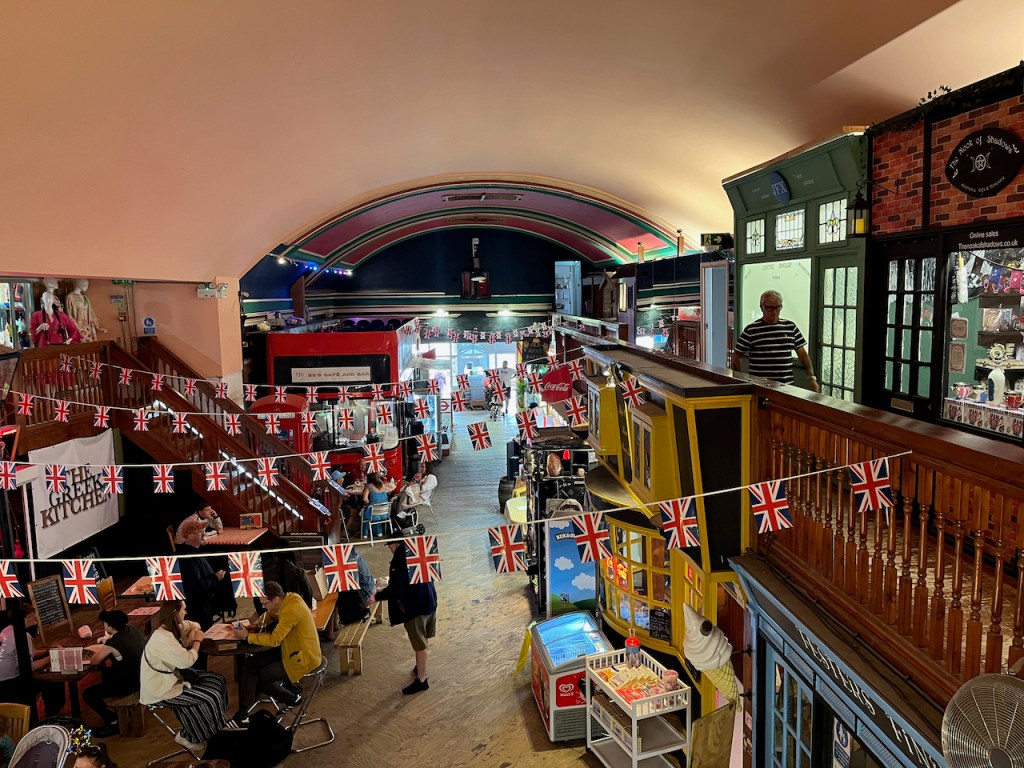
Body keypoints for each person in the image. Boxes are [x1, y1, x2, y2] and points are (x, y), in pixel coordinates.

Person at [139, 600, 230, 753]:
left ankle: (217, 723)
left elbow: (193, 624)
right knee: (210, 696)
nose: (185, 612)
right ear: (175, 613)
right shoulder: (162, 638)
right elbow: (187, 661)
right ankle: (189, 736)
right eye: (184, 610)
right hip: (160, 688)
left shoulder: (171, 628)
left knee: (218, 679)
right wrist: (196, 641)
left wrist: (193, 633)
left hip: (173, 678)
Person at [230, 580, 321, 726]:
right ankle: (243, 712)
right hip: (289, 648)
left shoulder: (291, 610)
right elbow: (272, 613)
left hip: (301, 656)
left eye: (265, 603)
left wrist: (247, 637)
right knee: (250, 664)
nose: (263, 606)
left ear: (276, 599)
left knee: (259, 678)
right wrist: (257, 624)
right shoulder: (289, 598)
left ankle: (291, 698)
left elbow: (275, 639)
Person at [369, 539, 438, 695]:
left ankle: (422, 679)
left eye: (390, 546)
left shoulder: (400, 559)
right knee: (423, 636)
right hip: (430, 600)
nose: (390, 550)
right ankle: (421, 666)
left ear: (395, 544)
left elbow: (397, 589)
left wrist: (377, 596)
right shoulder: (417, 549)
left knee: (419, 643)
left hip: (416, 607)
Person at [731, 290, 819, 392]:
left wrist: (812, 378)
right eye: (770, 308)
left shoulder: (790, 327)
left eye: (778, 307)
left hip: (786, 386)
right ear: (762, 308)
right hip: (760, 387)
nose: (774, 312)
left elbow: (803, 355)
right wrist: (739, 380)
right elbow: (737, 356)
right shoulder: (751, 330)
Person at [82, 610, 146, 737]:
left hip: (130, 684)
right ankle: (116, 715)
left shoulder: (113, 643)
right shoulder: (132, 630)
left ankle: (112, 720)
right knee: (106, 673)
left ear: (110, 627)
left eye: (105, 624)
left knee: (88, 694)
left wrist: (103, 648)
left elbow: (95, 661)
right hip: (142, 676)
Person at [360, 472, 390, 538]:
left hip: (373, 513)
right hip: (385, 513)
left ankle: (365, 533)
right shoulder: (382, 484)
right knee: (375, 512)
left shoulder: (368, 486)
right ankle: (379, 532)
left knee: (366, 512)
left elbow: (364, 498)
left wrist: (369, 503)